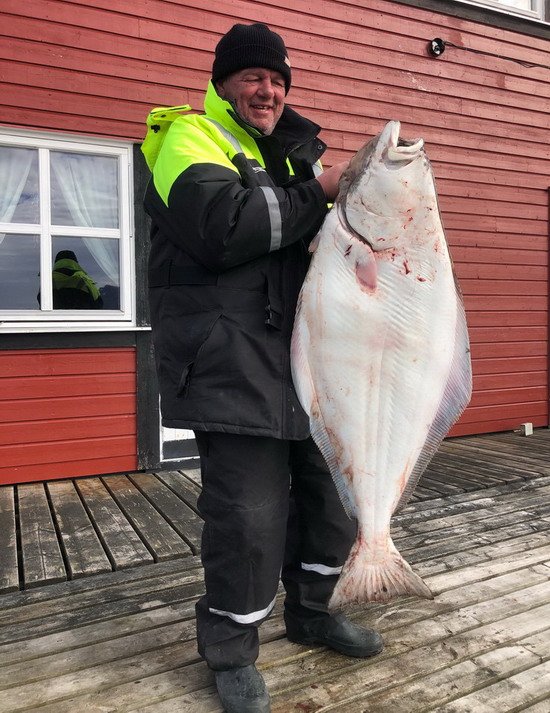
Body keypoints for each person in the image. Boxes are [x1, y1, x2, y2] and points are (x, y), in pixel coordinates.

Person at [142, 23, 383, 713]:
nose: (267, 89)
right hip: (229, 362)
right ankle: (231, 651)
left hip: (311, 361)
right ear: (222, 82)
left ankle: (312, 613)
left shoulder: (293, 160)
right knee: (246, 516)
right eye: (252, 76)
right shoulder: (185, 139)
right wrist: (324, 190)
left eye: (277, 80)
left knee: (328, 500)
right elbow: (223, 226)